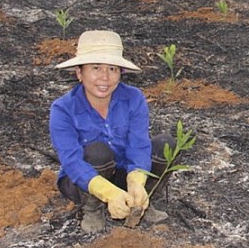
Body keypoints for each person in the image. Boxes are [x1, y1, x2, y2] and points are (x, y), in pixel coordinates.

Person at [50, 30, 175, 234]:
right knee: (98, 151)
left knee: (165, 144)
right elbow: (71, 161)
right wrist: (108, 193)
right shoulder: (63, 109)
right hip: (83, 181)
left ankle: (142, 201)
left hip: (121, 173)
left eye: (112, 69)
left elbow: (139, 144)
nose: (105, 77)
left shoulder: (133, 98)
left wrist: (136, 182)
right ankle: (93, 209)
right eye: (96, 68)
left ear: (120, 73)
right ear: (79, 73)